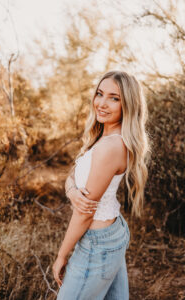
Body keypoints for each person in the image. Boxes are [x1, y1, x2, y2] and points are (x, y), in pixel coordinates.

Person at [52, 70, 150, 299]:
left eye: (114, 98)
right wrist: (72, 190)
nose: (102, 104)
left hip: (98, 243)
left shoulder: (110, 147)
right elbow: (73, 175)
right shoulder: (103, 138)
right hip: (112, 230)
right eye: (100, 94)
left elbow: (85, 212)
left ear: (128, 105)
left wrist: (61, 255)